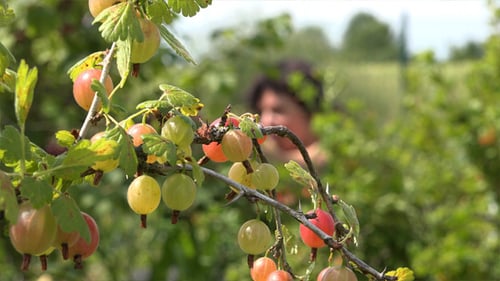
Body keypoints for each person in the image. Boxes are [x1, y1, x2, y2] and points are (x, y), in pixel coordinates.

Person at [247, 60, 328, 169]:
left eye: (278, 110)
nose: (265, 121)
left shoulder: (339, 150)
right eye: (261, 112)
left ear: (309, 112)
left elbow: (323, 160)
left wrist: (275, 157)